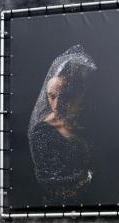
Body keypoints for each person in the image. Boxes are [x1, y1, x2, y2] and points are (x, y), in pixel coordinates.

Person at [27, 45, 96, 203]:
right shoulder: (42, 132)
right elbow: (51, 181)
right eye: (51, 97)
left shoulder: (86, 122)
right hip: (62, 204)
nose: (56, 105)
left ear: (76, 95)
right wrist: (87, 177)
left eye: (63, 97)